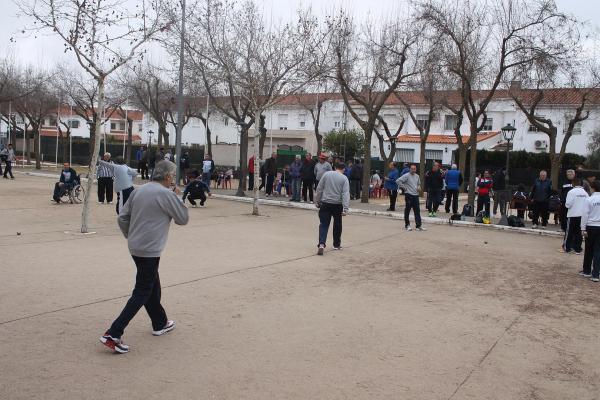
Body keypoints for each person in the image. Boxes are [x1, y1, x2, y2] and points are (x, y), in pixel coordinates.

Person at [100, 161, 189, 354]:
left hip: (136, 247)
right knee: (143, 289)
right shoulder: (165, 194)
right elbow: (183, 218)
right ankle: (113, 333)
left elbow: (122, 217)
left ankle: (160, 322)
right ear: (167, 177)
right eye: (173, 176)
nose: (173, 178)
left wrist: (130, 235)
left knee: (151, 284)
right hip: (150, 249)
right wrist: (176, 195)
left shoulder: (138, 190)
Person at [315, 162, 350, 255]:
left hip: (325, 203)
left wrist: (317, 201)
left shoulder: (326, 174)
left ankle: (321, 244)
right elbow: (345, 194)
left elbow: (319, 188)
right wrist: (346, 208)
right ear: (344, 169)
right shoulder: (344, 178)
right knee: (337, 225)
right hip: (337, 205)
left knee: (324, 224)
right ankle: (336, 245)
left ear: (335, 167)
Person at [580, 180, 600, 282]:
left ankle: (586, 271)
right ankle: (596, 274)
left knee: (589, 249)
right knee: (598, 251)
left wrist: (583, 228)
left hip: (591, 226)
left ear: (592, 188)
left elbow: (585, 215)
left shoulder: (589, 199)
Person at [563, 178, 588, 254]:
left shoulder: (571, 192)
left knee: (569, 232)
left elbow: (568, 205)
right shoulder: (585, 193)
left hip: (572, 215)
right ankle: (577, 249)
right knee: (578, 233)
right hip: (582, 216)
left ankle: (567, 248)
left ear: (573, 184)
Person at [397, 164, 424, 231]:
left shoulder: (417, 176)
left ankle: (418, 226)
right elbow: (398, 181)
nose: (413, 170)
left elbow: (418, 185)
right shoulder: (406, 175)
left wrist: (419, 188)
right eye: (412, 168)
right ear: (410, 169)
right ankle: (407, 225)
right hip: (409, 195)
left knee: (417, 211)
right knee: (407, 210)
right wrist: (404, 187)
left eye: (414, 169)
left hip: (416, 195)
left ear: (416, 169)